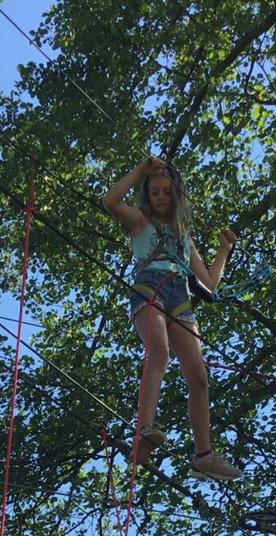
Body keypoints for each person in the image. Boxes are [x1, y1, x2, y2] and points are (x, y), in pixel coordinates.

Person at [101, 156, 243, 481]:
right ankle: (145, 428)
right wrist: (140, 171)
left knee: (199, 376)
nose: (161, 197)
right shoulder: (140, 222)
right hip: (149, 286)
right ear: (147, 197)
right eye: (155, 192)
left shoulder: (184, 237)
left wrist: (223, 251)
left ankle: (203, 456)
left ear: (176, 195)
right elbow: (110, 201)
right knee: (160, 352)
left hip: (181, 296)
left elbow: (208, 283)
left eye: (166, 191)